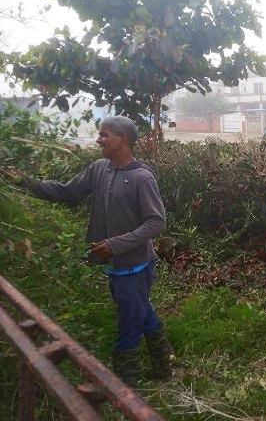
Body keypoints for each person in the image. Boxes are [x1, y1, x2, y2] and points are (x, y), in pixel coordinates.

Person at [23, 116, 171, 387]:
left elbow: (156, 222)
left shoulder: (141, 178)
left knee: (129, 322)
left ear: (122, 139)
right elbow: (69, 192)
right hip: (115, 264)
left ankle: (125, 385)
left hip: (135, 265)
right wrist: (28, 184)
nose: (98, 140)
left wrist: (115, 244)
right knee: (140, 310)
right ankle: (164, 367)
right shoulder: (99, 168)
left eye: (104, 135)